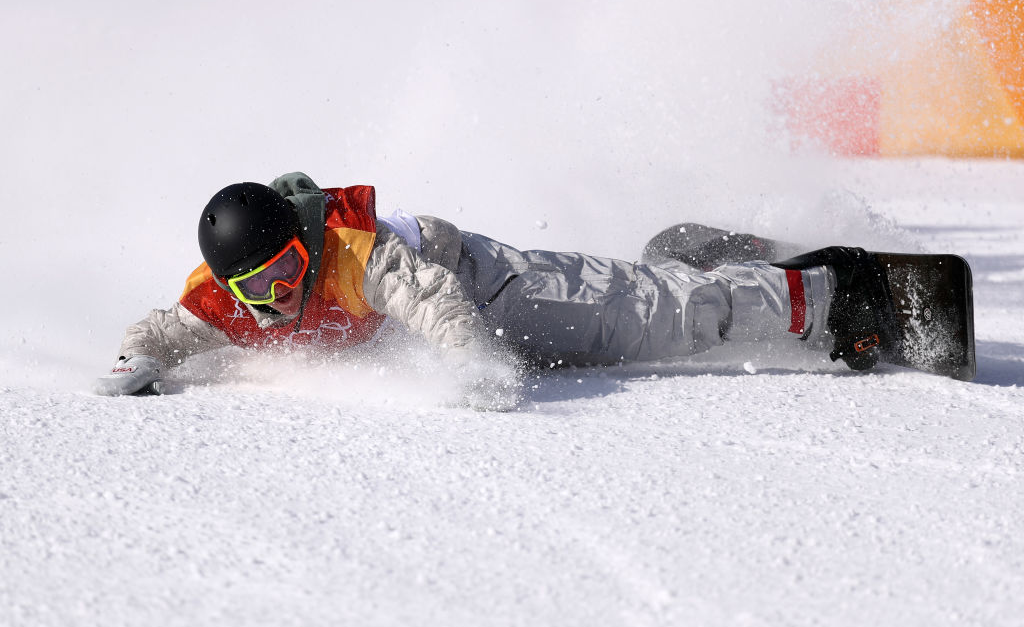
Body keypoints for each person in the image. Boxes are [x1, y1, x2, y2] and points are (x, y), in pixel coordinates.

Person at [94, 172, 893, 409]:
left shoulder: (352, 255)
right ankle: (690, 254)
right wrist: (134, 358)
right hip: (468, 330)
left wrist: (475, 364)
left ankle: (832, 293)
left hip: (492, 289)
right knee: (638, 315)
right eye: (257, 287)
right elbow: (165, 328)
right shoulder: (229, 300)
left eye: (286, 274)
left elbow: (437, 301)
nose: (276, 296)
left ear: (304, 247)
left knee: (653, 318)